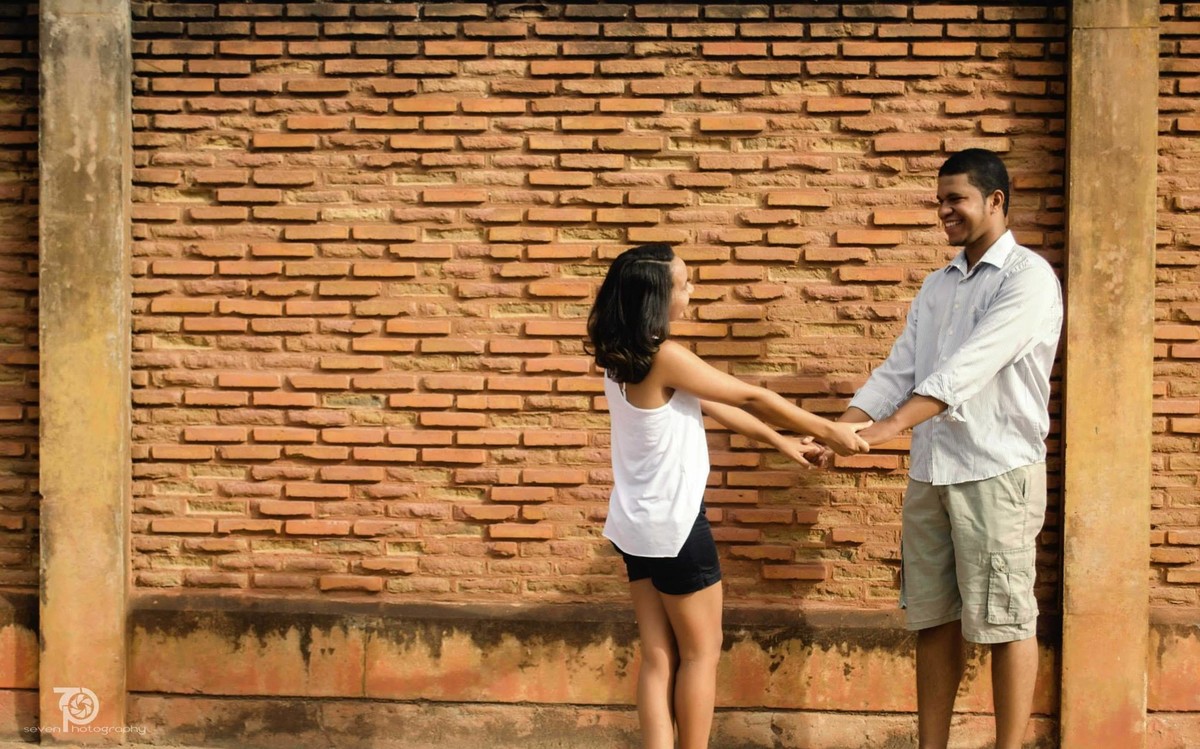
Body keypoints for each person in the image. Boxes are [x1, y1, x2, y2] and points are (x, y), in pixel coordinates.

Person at [586, 242, 870, 749]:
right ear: (656, 298)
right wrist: (830, 430)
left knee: (659, 656)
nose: (692, 290)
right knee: (701, 653)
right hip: (676, 529)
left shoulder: (619, 357)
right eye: (684, 284)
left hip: (634, 526)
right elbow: (751, 395)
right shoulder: (666, 357)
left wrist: (783, 442)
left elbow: (716, 406)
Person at [831, 149, 1063, 749]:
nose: (944, 211)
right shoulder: (937, 286)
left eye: (955, 199)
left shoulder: (1029, 279)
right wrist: (840, 430)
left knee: (1007, 622)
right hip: (932, 472)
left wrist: (885, 430)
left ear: (996, 201)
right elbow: (898, 371)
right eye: (939, 201)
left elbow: (967, 370)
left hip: (996, 471)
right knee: (933, 619)